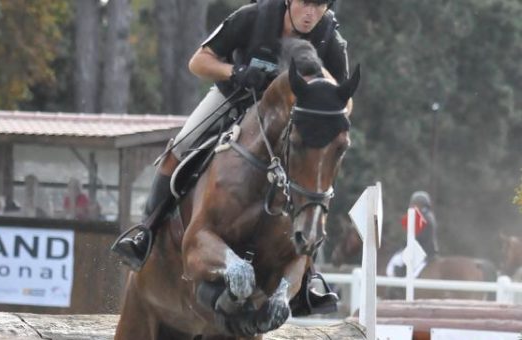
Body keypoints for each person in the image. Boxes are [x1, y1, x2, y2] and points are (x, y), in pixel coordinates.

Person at [112, 0, 349, 270]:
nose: (311, 14)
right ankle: (146, 232)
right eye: (305, 3)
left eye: (319, 6)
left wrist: (322, 84)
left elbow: (345, 100)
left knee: (315, 170)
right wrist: (235, 72)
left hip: (285, 117)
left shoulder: (329, 36)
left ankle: (308, 275)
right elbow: (198, 62)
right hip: (233, 97)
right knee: (179, 148)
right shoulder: (252, 17)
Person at [386, 191, 440, 277]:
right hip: (429, 250)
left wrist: (404, 244)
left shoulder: (421, 216)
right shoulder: (429, 215)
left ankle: (399, 288)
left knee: (396, 262)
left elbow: (417, 237)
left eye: (413, 204)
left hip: (421, 251)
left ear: (419, 204)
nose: (411, 206)